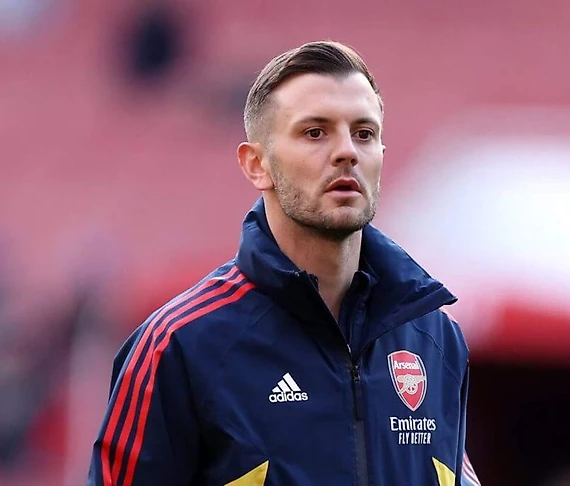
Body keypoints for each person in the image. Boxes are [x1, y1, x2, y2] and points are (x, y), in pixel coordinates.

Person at [88, 40, 480, 486]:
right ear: (257, 164)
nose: (347, 152)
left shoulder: (436, 339)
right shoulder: (179, 346)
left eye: (364, 134)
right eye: (315, 132)